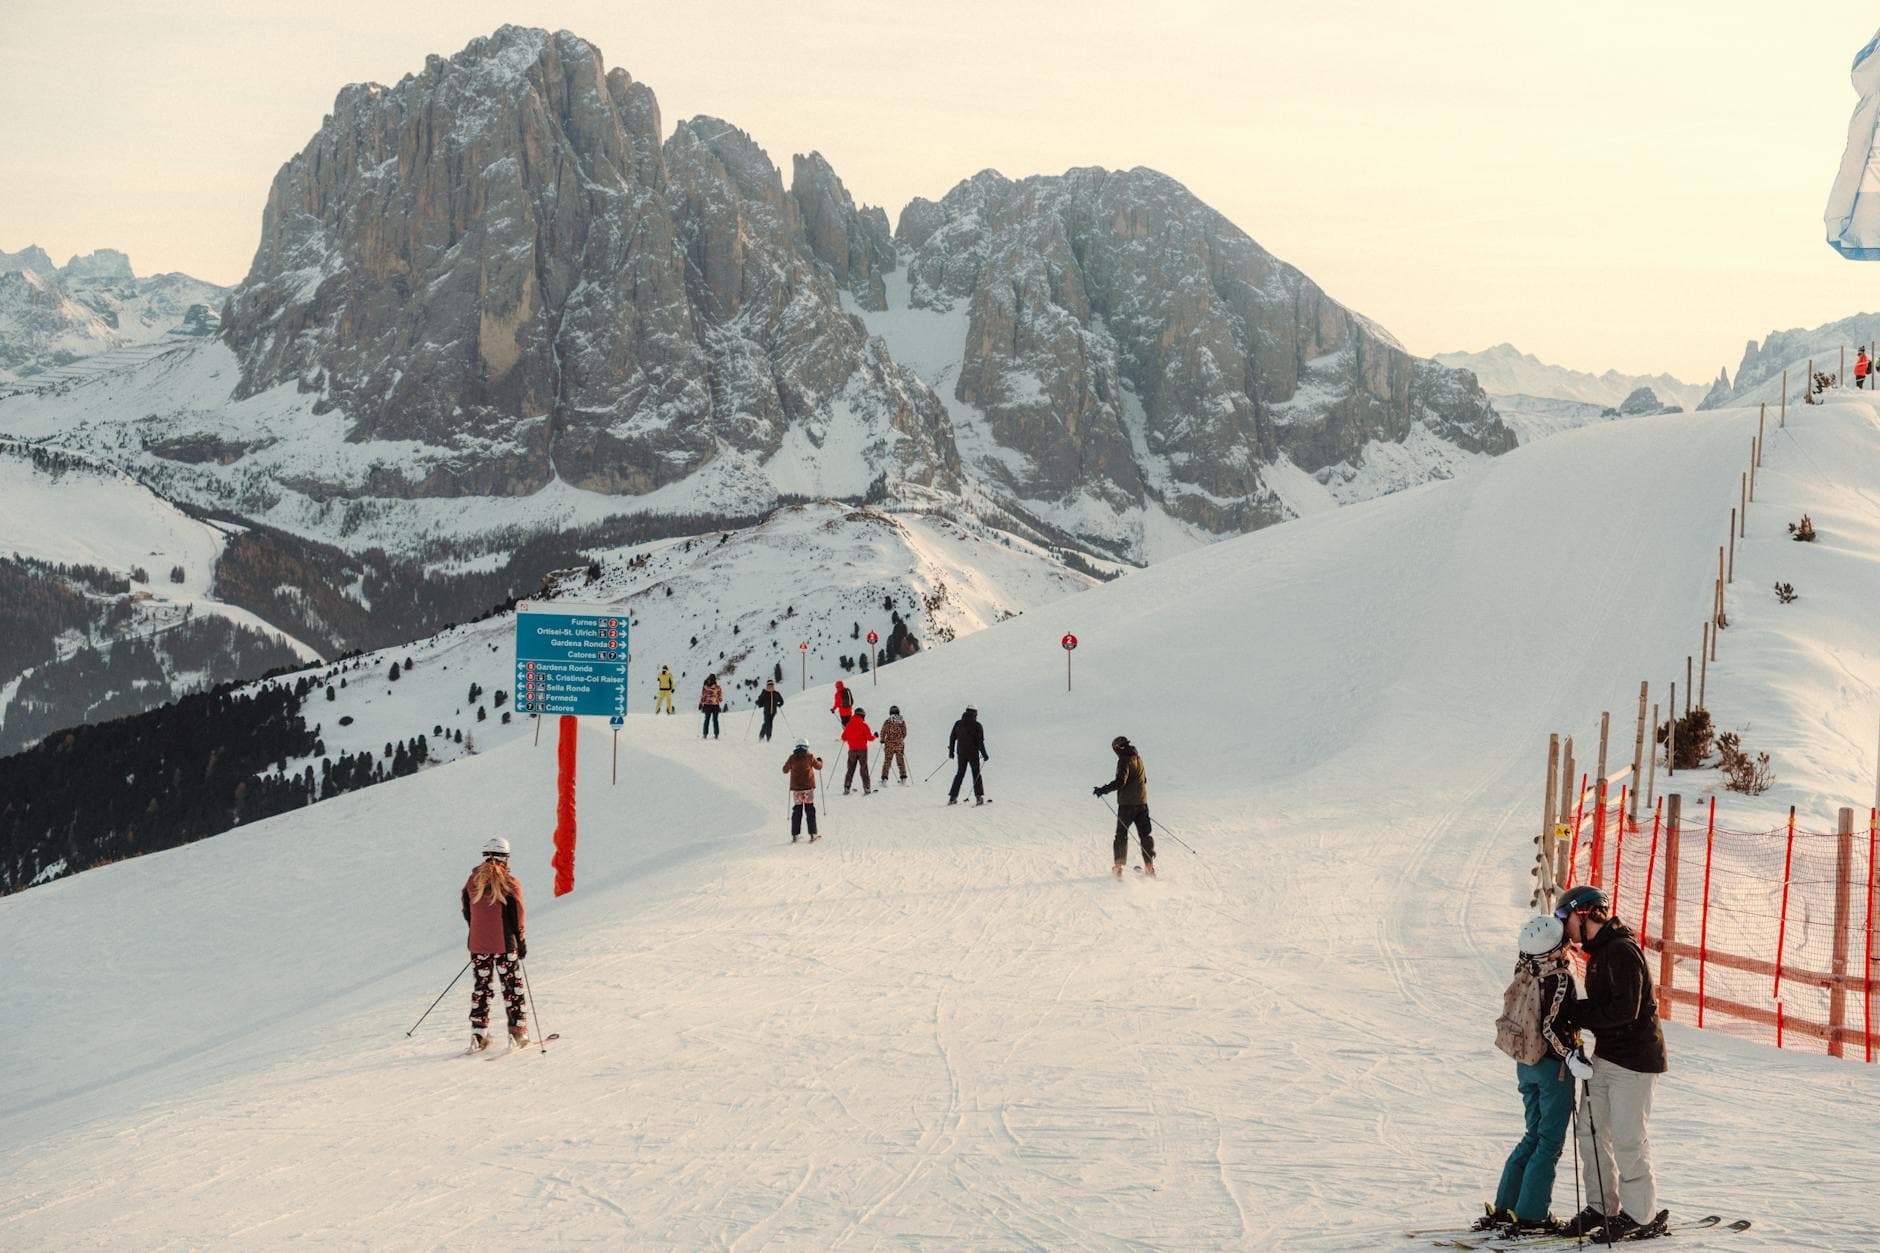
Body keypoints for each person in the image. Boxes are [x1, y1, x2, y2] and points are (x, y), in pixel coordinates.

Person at [1555, 884, 1668, 1242]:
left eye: (1564, 916)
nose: (1563, 925)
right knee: (1590, 1131)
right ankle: (1602, 1206)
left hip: (1634, 1062)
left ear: (1584, 913)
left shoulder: (1621, 951)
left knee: (1627, 1138)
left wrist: (1577, 1012)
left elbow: (1623, 1011)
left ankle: (1641, 1215)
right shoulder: (1599, 952)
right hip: (1607, 1056)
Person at [1474, 915, 1581, 1236]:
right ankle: (1532, 1214)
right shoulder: (1559, 978)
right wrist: (1570, 1054)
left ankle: (1506, 1207)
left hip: (1525, 1063)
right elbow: (1551, 1026)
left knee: (1532, 1135)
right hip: (1552, 1067)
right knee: (1549, 1141)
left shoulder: (1524, 970)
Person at [460, 838, 528, 1051]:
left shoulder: (472, 881)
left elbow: (467, 910)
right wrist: (521, 941)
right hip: (505, 944)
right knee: (512, 988)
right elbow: (518, 914)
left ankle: (478, 1034)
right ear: (505, 858)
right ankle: (517, 1033)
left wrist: (478, 933)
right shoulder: (510, 882)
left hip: (478, 945)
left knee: (482, 988)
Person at [1093, 735, 1154, 876]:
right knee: (1145, 835)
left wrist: (1103, 790)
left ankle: (1118, 868)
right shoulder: (1138, 758)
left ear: (1118, 748)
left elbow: (1120, 782)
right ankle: (1149, 867)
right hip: (1142, 803)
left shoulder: (1124, 760)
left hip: (1127, 805)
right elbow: (1144, 779)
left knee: (1121, 835)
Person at [783, 740, 825, 842]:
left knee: (797, 811)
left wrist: (790, 766)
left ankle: (795, 835)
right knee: (810, 810)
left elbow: (785, 770)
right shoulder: (810, 756)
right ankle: (812, 834)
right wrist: (820, 761)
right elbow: (818, 766)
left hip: (797, 790)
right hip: (808, 789)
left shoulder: (792, 758)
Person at [946, 705, 988, 805]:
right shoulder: (977, 725)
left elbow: (952, 738)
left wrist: (951, 752)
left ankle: (952, 798)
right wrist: (984, 754)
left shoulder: (958, 723)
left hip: (961, 753)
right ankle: (979, 797)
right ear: (975, 713)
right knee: (976, 773)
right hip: (973, 753)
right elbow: (980, 742)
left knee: (960, 774)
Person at [841, 706, 877, 794]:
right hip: (862, 750)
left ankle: (847, 787)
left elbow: (843, 737)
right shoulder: (864, 725)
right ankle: (867, 787)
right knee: (864, 768)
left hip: (852, 750)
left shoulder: (848, 725)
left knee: (850, 769)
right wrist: (875, 736)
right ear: (862, 716)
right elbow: (869, 738)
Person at [879, 705, 909, 784]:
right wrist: (900, 739)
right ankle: (903, 778)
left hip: (889, 745)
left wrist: (882, 739)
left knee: (887, 762)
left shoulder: (888, 721)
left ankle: (884, 779)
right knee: (900, 761)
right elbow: (905, 733)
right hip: (899, 745)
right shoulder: (902, 721)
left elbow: (883, 731)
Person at [699, 673, 724, 739]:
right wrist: (717, 700)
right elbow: (721, 697)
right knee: (715, 720)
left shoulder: (706, 687)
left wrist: (701, 703)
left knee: (707, 719)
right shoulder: (718, 687)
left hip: (707, 705)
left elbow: (703, 696)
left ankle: (705, 734)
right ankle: (716, 734)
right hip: (715, 705)